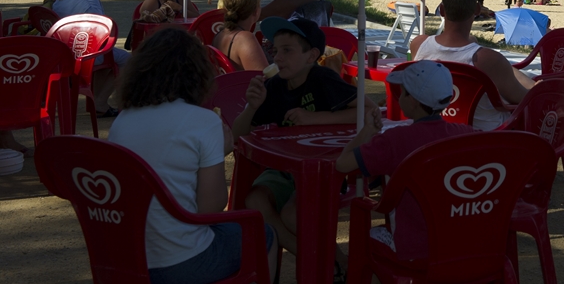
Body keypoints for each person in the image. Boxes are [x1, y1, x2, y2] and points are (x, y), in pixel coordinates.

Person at [109, 30, 278, 284]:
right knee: (265, 235)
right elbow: (210, 207)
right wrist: (219, 153)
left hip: (127, 259)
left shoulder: (122, 120)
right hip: (182, 262)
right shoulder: (203, 122)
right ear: (196, 74)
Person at [232, 18, 379, 274]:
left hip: (323, 169)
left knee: (292, 214)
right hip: (284, 167)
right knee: (254, 201)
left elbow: (369, 110)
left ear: (311, 55)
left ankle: (325, 262)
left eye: (287, 50)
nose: (278, 57)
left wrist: (316, 118)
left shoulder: (323, 78)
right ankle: (332, 259)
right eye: (275, 50)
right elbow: (237, 135)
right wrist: (252, 106)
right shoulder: (273, 86)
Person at [335, 61, 475, 261]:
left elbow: (342, 164)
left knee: (370, 240)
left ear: (413, 100)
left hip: (413, 249)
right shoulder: (467, 135)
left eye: (402, 92)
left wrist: (367, 132)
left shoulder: (395, 140)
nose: (398, 97)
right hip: (463, 246)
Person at [410, 0, 540, 130]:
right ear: (477, 10)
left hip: (434, 133)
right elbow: (525, 99)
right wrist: (537, 89)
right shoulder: (487, 59)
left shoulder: (419, 44)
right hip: (481, 140)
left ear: (442, 10)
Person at [51, 0, 132, 116]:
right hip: (87, 53)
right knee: (127, 60)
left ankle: (97, 100)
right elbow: (101, 31)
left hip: (66, 52)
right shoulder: (89, 0)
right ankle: (100, 101)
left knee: (110, 57)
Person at [211, 0, 269, 72]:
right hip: (245, 86)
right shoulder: (244, 39)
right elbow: (266, 80)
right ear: (255, 11)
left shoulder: (220, 34)